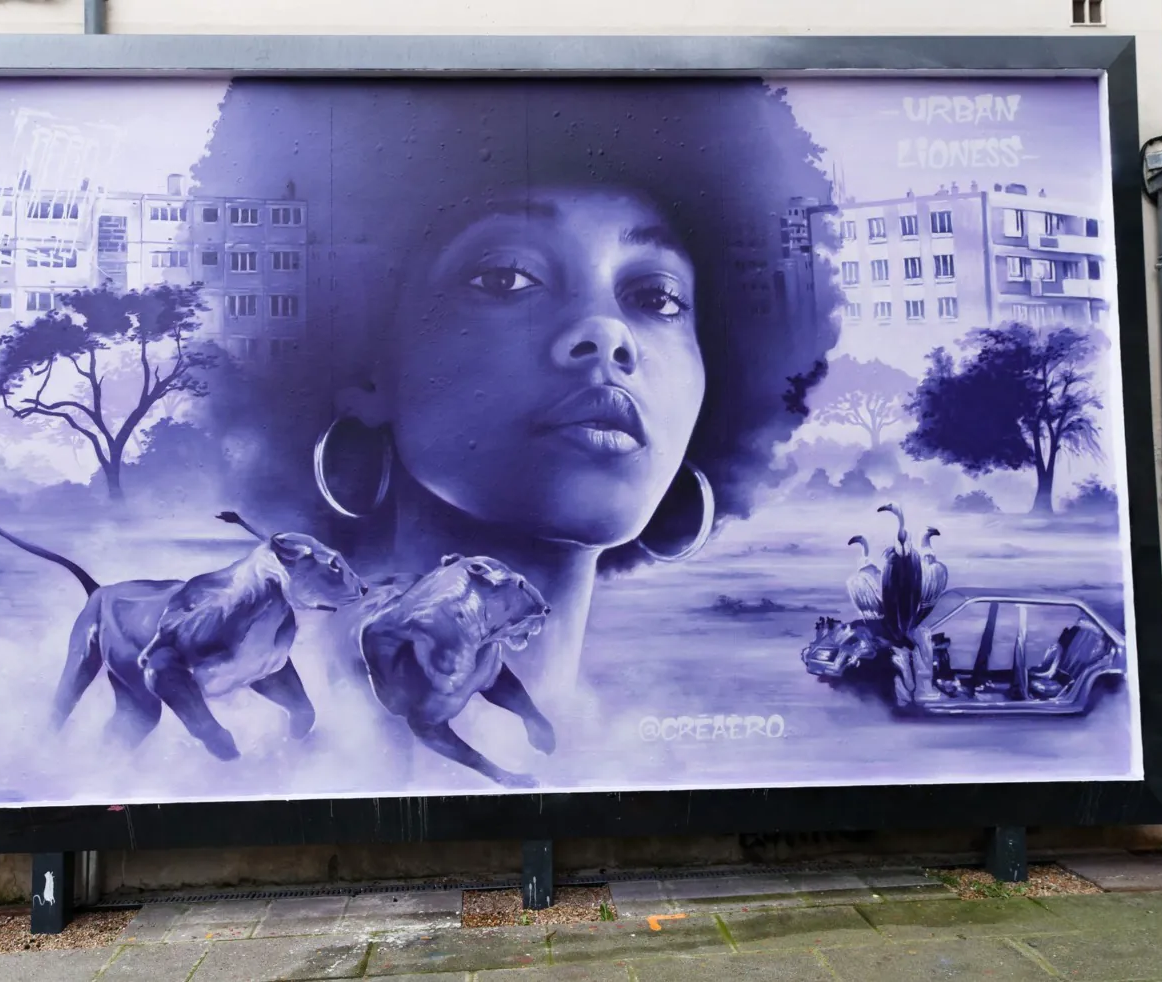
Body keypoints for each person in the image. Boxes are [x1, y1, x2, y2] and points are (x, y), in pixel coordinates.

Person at [193, 79, 840, 707]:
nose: (607, 333)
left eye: (657, 298)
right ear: (368, 368)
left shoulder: (665, 751)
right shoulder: (267, 718)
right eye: (506, 278)